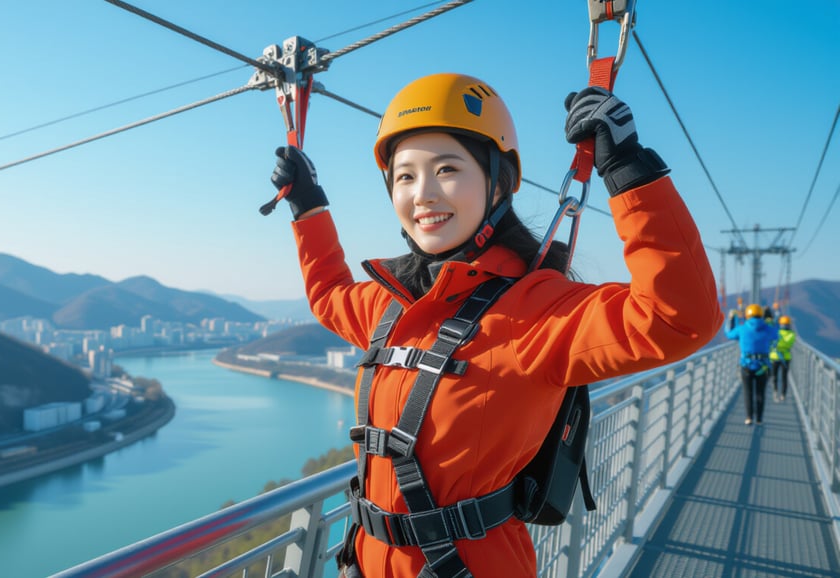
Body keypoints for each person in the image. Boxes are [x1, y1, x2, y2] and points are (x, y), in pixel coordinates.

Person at [268, 73, 722, 578]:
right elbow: (329, 295)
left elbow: (679, 319)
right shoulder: (391, 306)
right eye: (405, 176)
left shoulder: (535, 311)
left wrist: (628, 170)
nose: (423, 195)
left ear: (499, 181)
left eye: (447, 169)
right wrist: (308, 207)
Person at [725, 304, 778, 425]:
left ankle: (749, 417)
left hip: (746, 365)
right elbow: (777, 335)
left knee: (748, 392)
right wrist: (771, 319)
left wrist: (731, 319)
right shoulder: (767, 329)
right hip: (763, 366)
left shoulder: (742, 329)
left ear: (747, 315)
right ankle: (759, 418)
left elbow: (729, 334)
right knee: (760, 392)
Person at [770, 314, 796, 401]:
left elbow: (772, 343)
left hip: (774, 357)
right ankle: (783, 394)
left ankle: (775, 391)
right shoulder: (792, 334)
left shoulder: (775, 332)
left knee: (774, 376)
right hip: (785, 358)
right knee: (784, 377)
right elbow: (788, 344)